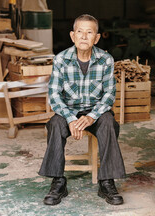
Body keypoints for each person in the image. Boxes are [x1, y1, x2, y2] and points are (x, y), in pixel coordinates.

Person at [39, 14, 126, 206]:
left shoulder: (106, 60)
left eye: (89, 32)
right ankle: (58, 181)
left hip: (96, 112)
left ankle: (106, 182)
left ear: (96, 38)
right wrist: (71, 118)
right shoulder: (61, 59)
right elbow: (54, 95)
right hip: (68, 111)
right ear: (72, 36)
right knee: (54, 124)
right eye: (80, 32)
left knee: (109, 123)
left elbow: (109, 95)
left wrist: (91, 117)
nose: (84, 36)